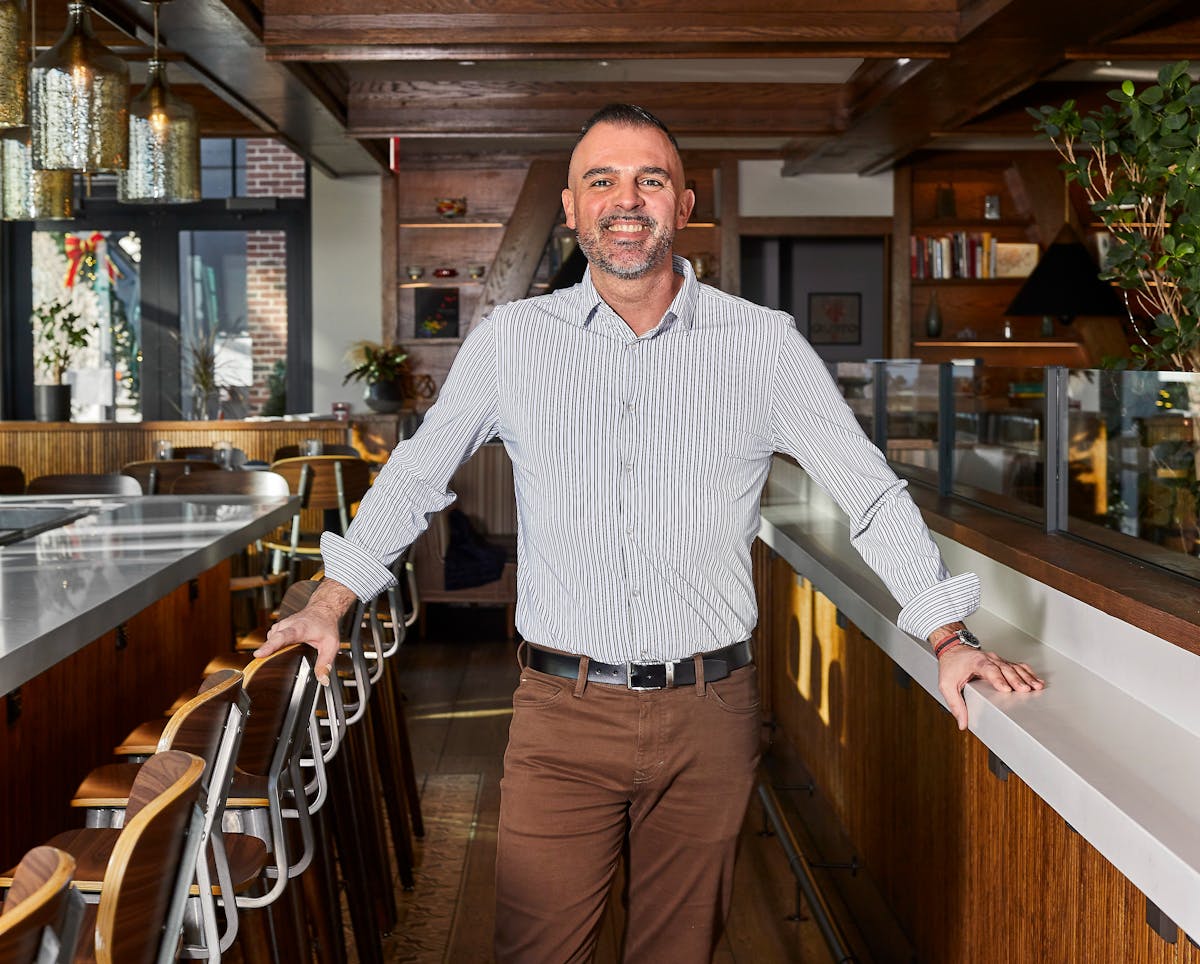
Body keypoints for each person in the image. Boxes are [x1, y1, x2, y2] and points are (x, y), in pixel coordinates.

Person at [255, 103, 1044, 962]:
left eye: (649, 180)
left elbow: (873, 495)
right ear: (570, 207)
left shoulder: (763, 346)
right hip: (561, 715)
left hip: (710, 715)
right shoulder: (512, 343)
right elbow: (415, 475)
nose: (625, 200)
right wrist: (331, 601)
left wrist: (946, 633)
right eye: (603, 181)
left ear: (684, 203)